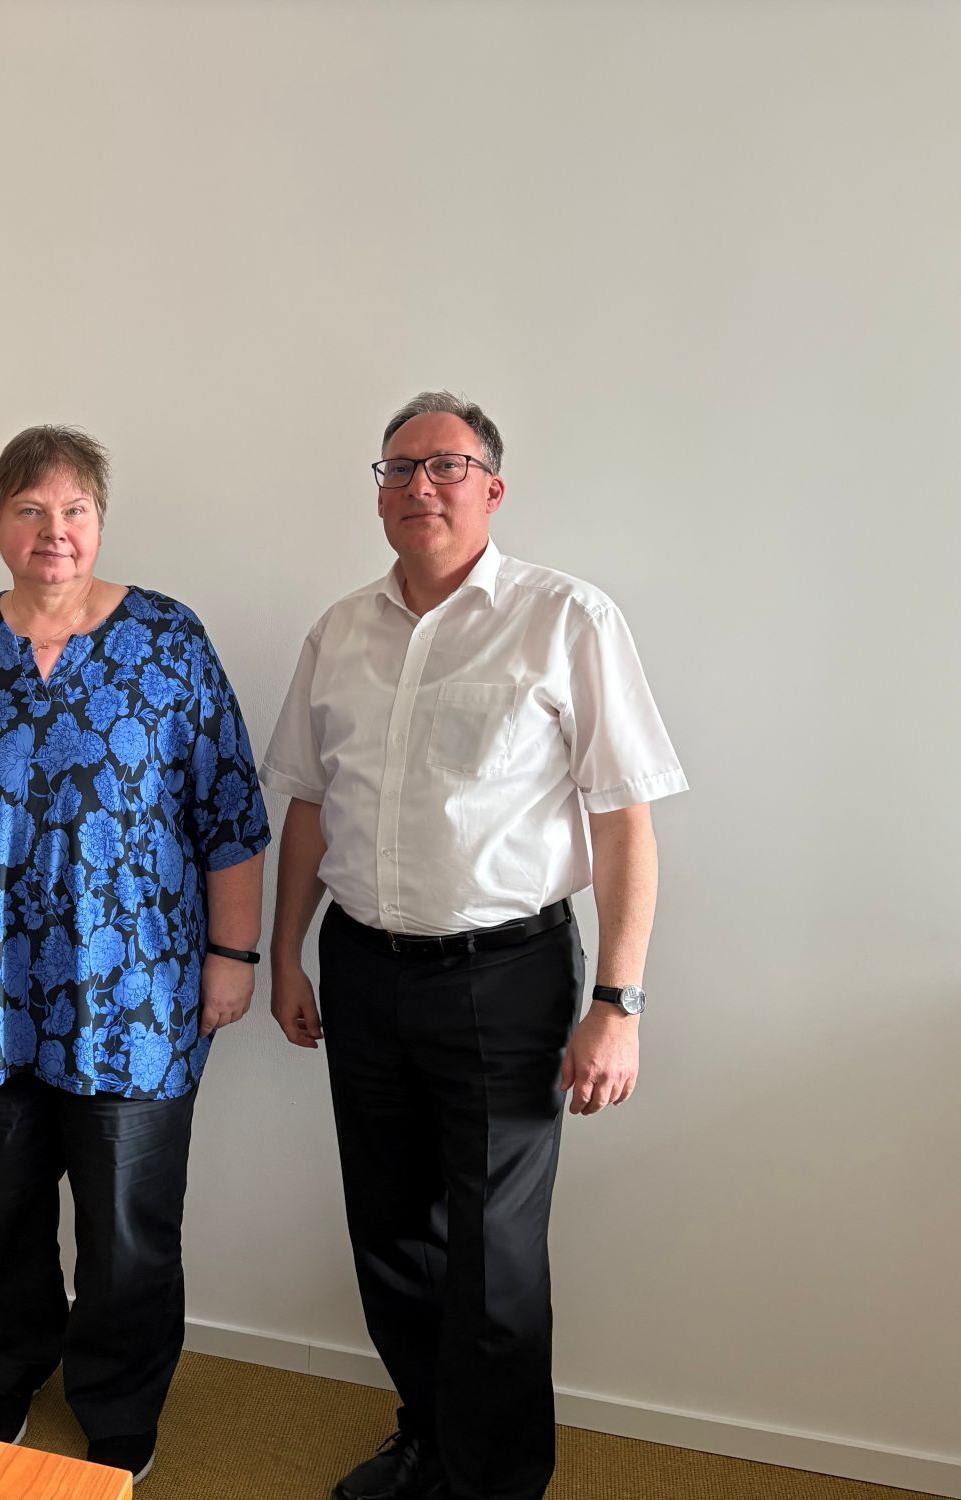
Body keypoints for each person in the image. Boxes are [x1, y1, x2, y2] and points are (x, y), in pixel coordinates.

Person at [262, 392, 687, 1500]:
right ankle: (429, 1433)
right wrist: (287, 952)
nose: (417, 487)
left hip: (504, 980)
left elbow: (623, 819)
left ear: (491, 487)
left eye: (444, 467)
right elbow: (308, 804)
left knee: (493, 1262)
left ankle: (490, 1483)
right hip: (362, 968)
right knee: (392, 1235)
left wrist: (618, 1000)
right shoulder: (338, 631)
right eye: (396, 469)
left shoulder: (564, 620)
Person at [0, 425, 271, 1487]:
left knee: (127, 1226)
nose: (53, 533)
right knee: (0, 1210)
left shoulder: (167, 640)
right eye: (29, 511)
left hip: (136, 999)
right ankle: (9, 1366)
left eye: (73, 512)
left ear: (99, 522)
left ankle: (117, 1397)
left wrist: (232, 956)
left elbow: (228, 814)